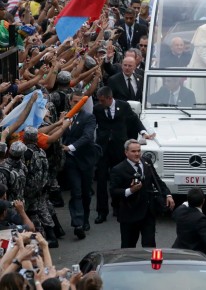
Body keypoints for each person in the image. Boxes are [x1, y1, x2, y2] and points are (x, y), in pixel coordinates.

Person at [93, 87, 149, 224]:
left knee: (120, 177)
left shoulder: (123, 106)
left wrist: (143, 133)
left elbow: (135, 121)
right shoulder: (97, 109)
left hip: (119, 148)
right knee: (101, 180)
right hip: (103, 148)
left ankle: (118, 206)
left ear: (109, 98)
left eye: (102, 100)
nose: (100, 103)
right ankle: (102, 211)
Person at [109, 139, 174, 248]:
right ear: (126, 153)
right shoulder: (118, 169)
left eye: (139, 151)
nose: (137, 154)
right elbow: (113, 191)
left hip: (148, 212)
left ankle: (149, 265)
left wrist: (168, 195)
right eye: (133, 151)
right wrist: (131, 190)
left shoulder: (146, 162)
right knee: (128, 248)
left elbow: (156, 180)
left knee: (149, 246)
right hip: (130, 214)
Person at [62, 90, 98, 238]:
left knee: (85, 192)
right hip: (71, 161)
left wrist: (71, 147)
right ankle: (78, 223)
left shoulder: (88, 117)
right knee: (76, 192)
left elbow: (88, 136)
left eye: (79, 102)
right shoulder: (64, 117)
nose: (76, 104)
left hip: (86, 160)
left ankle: (85, 218)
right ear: (70, 102)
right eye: (74, 101)